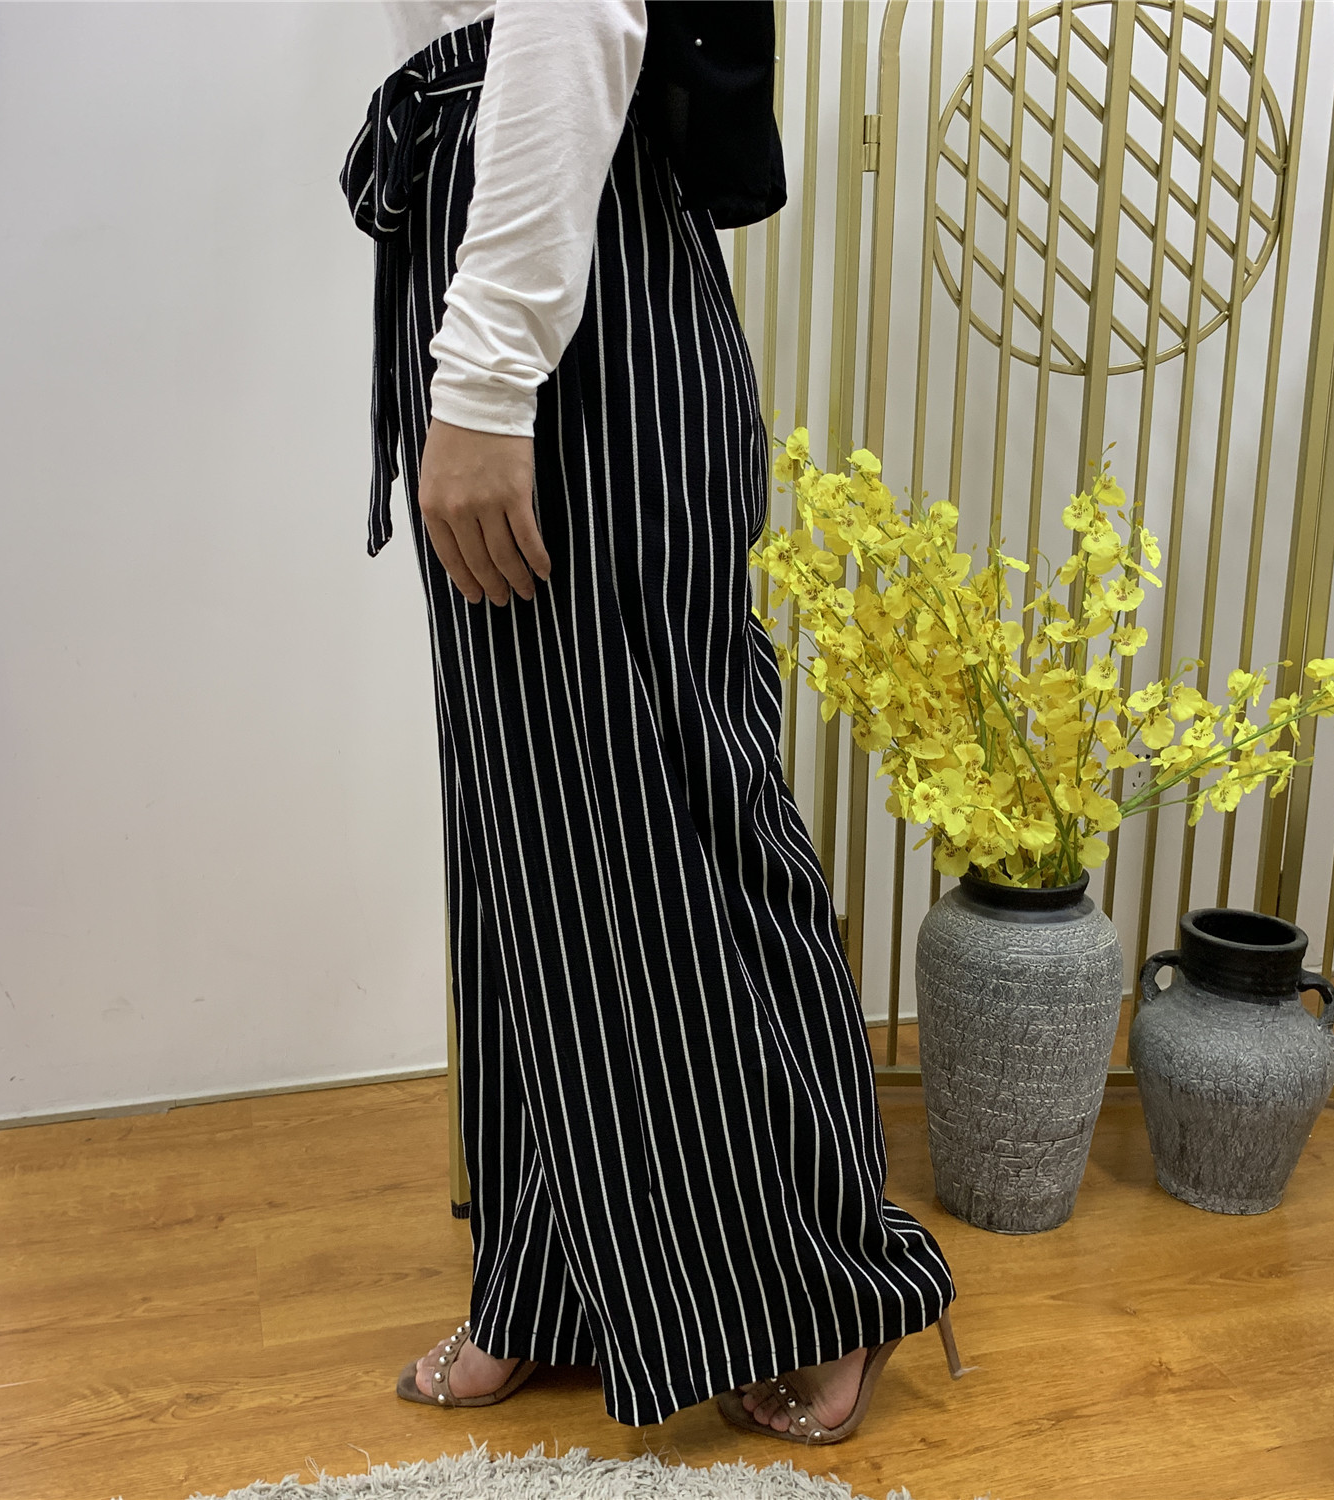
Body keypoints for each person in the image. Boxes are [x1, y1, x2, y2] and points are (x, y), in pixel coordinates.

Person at [339, 0, 967, 1443]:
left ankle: (822, 1287)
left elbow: (574, 11)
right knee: (530, 829)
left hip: (569, 303)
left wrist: (484, 377)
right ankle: (554, 1278)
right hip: (523, 253)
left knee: (661, 807)